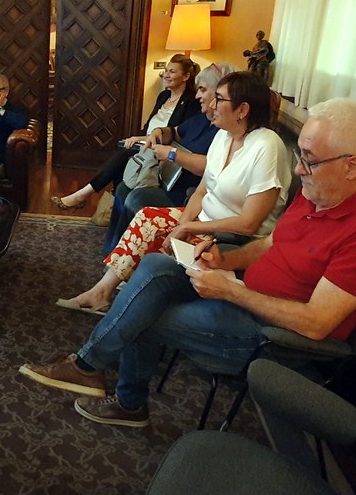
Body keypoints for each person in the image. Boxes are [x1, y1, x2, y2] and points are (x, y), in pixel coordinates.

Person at [20, 97, 356, 429]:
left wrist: (231, 291)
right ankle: (90, 367)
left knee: (145, 313)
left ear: (350, 166)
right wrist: (223, 260)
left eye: (309, 160)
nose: (298, 170)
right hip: (243, 291)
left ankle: (122, 397)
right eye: (300, 156)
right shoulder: (314, 194)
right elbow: (268, 245)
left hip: (269, 333)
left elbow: (316, 323)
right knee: (155, 265)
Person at [58, 69, 290, 314]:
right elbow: (202, 190)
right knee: (147, 217)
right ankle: (102, 292)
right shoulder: (224, 137)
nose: (212, 105)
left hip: (229, 236)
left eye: (220, 99)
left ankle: (138, 296)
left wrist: (188, 228)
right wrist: (183, 223)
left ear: (242, 110)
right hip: (202, 221)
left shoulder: (267, 146)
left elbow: (248, 224)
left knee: (157, 246)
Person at [52, 54, 201, 210]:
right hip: (146, 144)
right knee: (123, 153)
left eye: (172, 72)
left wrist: (142, 139)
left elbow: (179, 135)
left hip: (162, 150)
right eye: (166, 70)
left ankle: (83, 196)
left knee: (123, 156)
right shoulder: (163, 96)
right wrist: (139, 137)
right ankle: (113, 208)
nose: (166, 75)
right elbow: (148, 127)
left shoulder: (190, 102)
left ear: (186, 76)